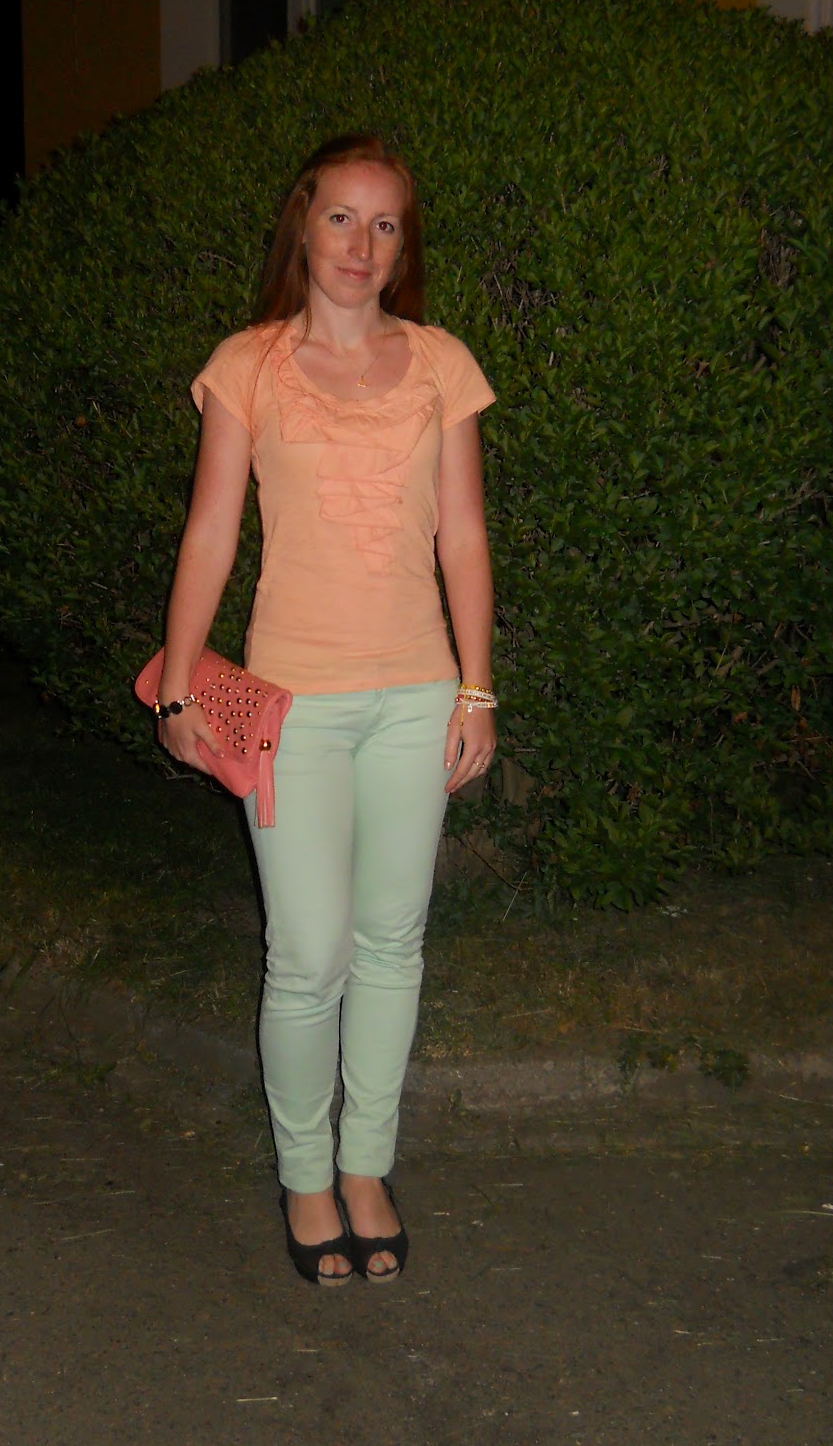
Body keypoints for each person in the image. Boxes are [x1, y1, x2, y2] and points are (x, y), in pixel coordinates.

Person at [154, 133, 496, 1285]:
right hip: (293, 704)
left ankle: (366, 1165)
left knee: (392, 942)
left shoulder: (443, 363)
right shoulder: (247, 365)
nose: (362, 244)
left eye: (385, 224)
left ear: (404, 246)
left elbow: (463, 536)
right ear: (303, 225)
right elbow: (212, 530)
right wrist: (181, 681)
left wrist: (477, 685)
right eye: (342, 217)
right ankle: (305, 1173)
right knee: (306, 954)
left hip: (415, 693)